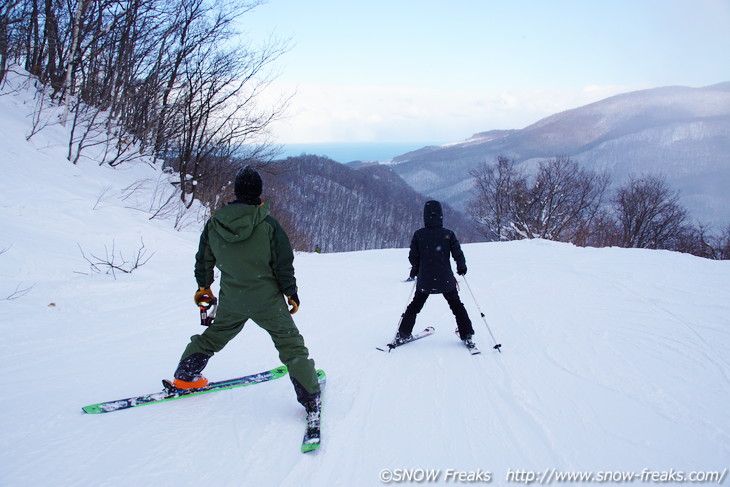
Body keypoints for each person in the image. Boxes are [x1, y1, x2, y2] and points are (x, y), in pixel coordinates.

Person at [171, 165, 321, 414]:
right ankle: (310, 396)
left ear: (236, 191)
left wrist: (203, 287)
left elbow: (203, 260)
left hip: (233, 299)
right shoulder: (269, 225)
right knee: (290, 345)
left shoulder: (214, 224)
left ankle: (185, 376)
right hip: (267, 301)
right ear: (259, 192)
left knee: (214, 336)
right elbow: (283, 264)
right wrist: (291, 293)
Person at [397, 200, 475, 347]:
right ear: (441, 216)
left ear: (425, 216)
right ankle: (467, 333)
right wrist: (461, 267)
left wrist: (416, 269)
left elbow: (413, 256)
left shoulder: (419, 235)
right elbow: (458, 254)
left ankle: (403, 333)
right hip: (445, 279)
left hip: (425, 280)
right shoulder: (448, 234)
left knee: (414, 306)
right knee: (457, 306)